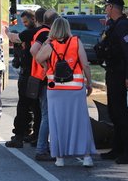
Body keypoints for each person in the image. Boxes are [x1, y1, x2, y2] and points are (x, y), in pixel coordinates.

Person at [35, 17, 96, 167]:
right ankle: (87, 157)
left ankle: (60, 158)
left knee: (57, 123)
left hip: (55, 89)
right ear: (67, 28)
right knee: (80, 121)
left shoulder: (51, 45)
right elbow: (85, 65)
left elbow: (38, 57)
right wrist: (89, 82)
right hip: (75, 88)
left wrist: (46, 66)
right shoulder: (76, 42)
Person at [99, 0, 128, 164]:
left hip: (121, 73)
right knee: (114, 112)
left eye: (107, 6)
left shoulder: (124, 26)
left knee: (121, 113)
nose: (105, 9)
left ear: (113, 7)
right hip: (112, 71)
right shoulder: (113, 25)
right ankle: (117, 148)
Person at [4, 10, 39, 148]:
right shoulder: (40, 32)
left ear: (33, 19)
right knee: (34, 106)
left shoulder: (33, 32)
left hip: (30, 74)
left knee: (24, 105)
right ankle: (31, 133)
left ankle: (19, 135)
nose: (24, 24)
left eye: (25, 21)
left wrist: (6, 33)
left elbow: (15, 37)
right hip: (34, 74)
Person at [30, 9, 57, 162]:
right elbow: (34, 50)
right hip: (44, 79)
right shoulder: (45, 33)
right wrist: (45, 66)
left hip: (39, 78)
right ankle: (42, 149)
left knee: (45, 115)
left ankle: (44, 147)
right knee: (47, 115)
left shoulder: (40, 31)